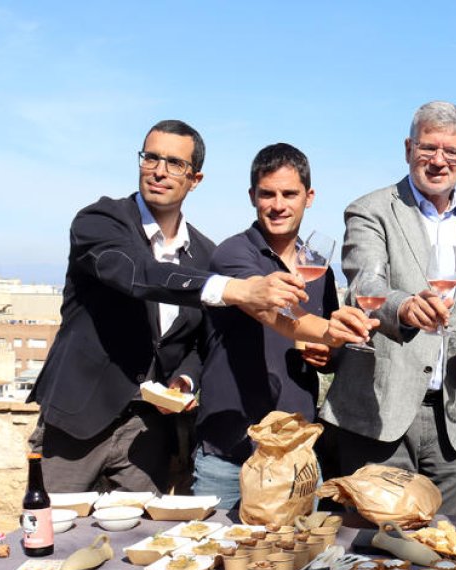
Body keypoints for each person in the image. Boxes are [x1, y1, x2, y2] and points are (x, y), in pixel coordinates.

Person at [29, 120, 308, 494]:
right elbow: (138, 274)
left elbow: (199, 339)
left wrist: (187, 378)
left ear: (195, 179)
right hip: (77, 421)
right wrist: (237, 289)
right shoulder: (100, 221)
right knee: (52, 535)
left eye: (175, 163)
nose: (159, 170)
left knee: (143, 545)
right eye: (151, 158)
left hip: (149, 436)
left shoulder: (206, 252)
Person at [319, 102, 456, 515]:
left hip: (454, 421)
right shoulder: (370, 210)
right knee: (382, 554)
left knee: (445, 555)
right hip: (380, 415)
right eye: (428, 148)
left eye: (451, 151)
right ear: (408, 148)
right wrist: (402, 307)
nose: (439, 161)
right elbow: (366, 282)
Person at [192, 143, 374, 510]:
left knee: (304, 562)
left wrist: (331, 352)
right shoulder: (232, 254)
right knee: (214, 562)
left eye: (289, 194)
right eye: (267, 194)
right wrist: (328, 331)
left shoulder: (318, 266)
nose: (278, 205)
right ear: (252, 197)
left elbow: (326, 343)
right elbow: (274, 314)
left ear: (309, 197)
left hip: (296, 457)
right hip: (229, 455)